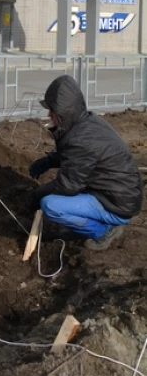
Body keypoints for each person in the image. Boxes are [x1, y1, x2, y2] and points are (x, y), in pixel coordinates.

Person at [28, 74, 143, 250]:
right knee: (55, 200)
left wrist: (38, 194)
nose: (49, 114)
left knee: (50, 205)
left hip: (117, 204)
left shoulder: (81, 139)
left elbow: (68, 186)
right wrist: (49, 160)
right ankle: (92, 222)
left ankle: (103, 232)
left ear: (64, 111)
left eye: (52, 110)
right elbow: (74, 155)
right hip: (117, 193)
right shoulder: (86, 123)